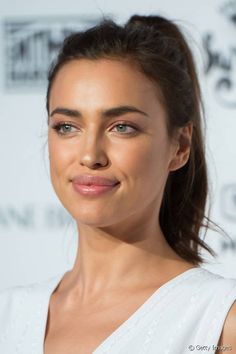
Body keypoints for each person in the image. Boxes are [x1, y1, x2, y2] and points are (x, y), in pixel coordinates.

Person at [0, 14, 236, 354]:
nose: (90, 155)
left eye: (122, 127)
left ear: (180, 146)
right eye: (67, 126)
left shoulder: (218, 322)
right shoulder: (9, 316)